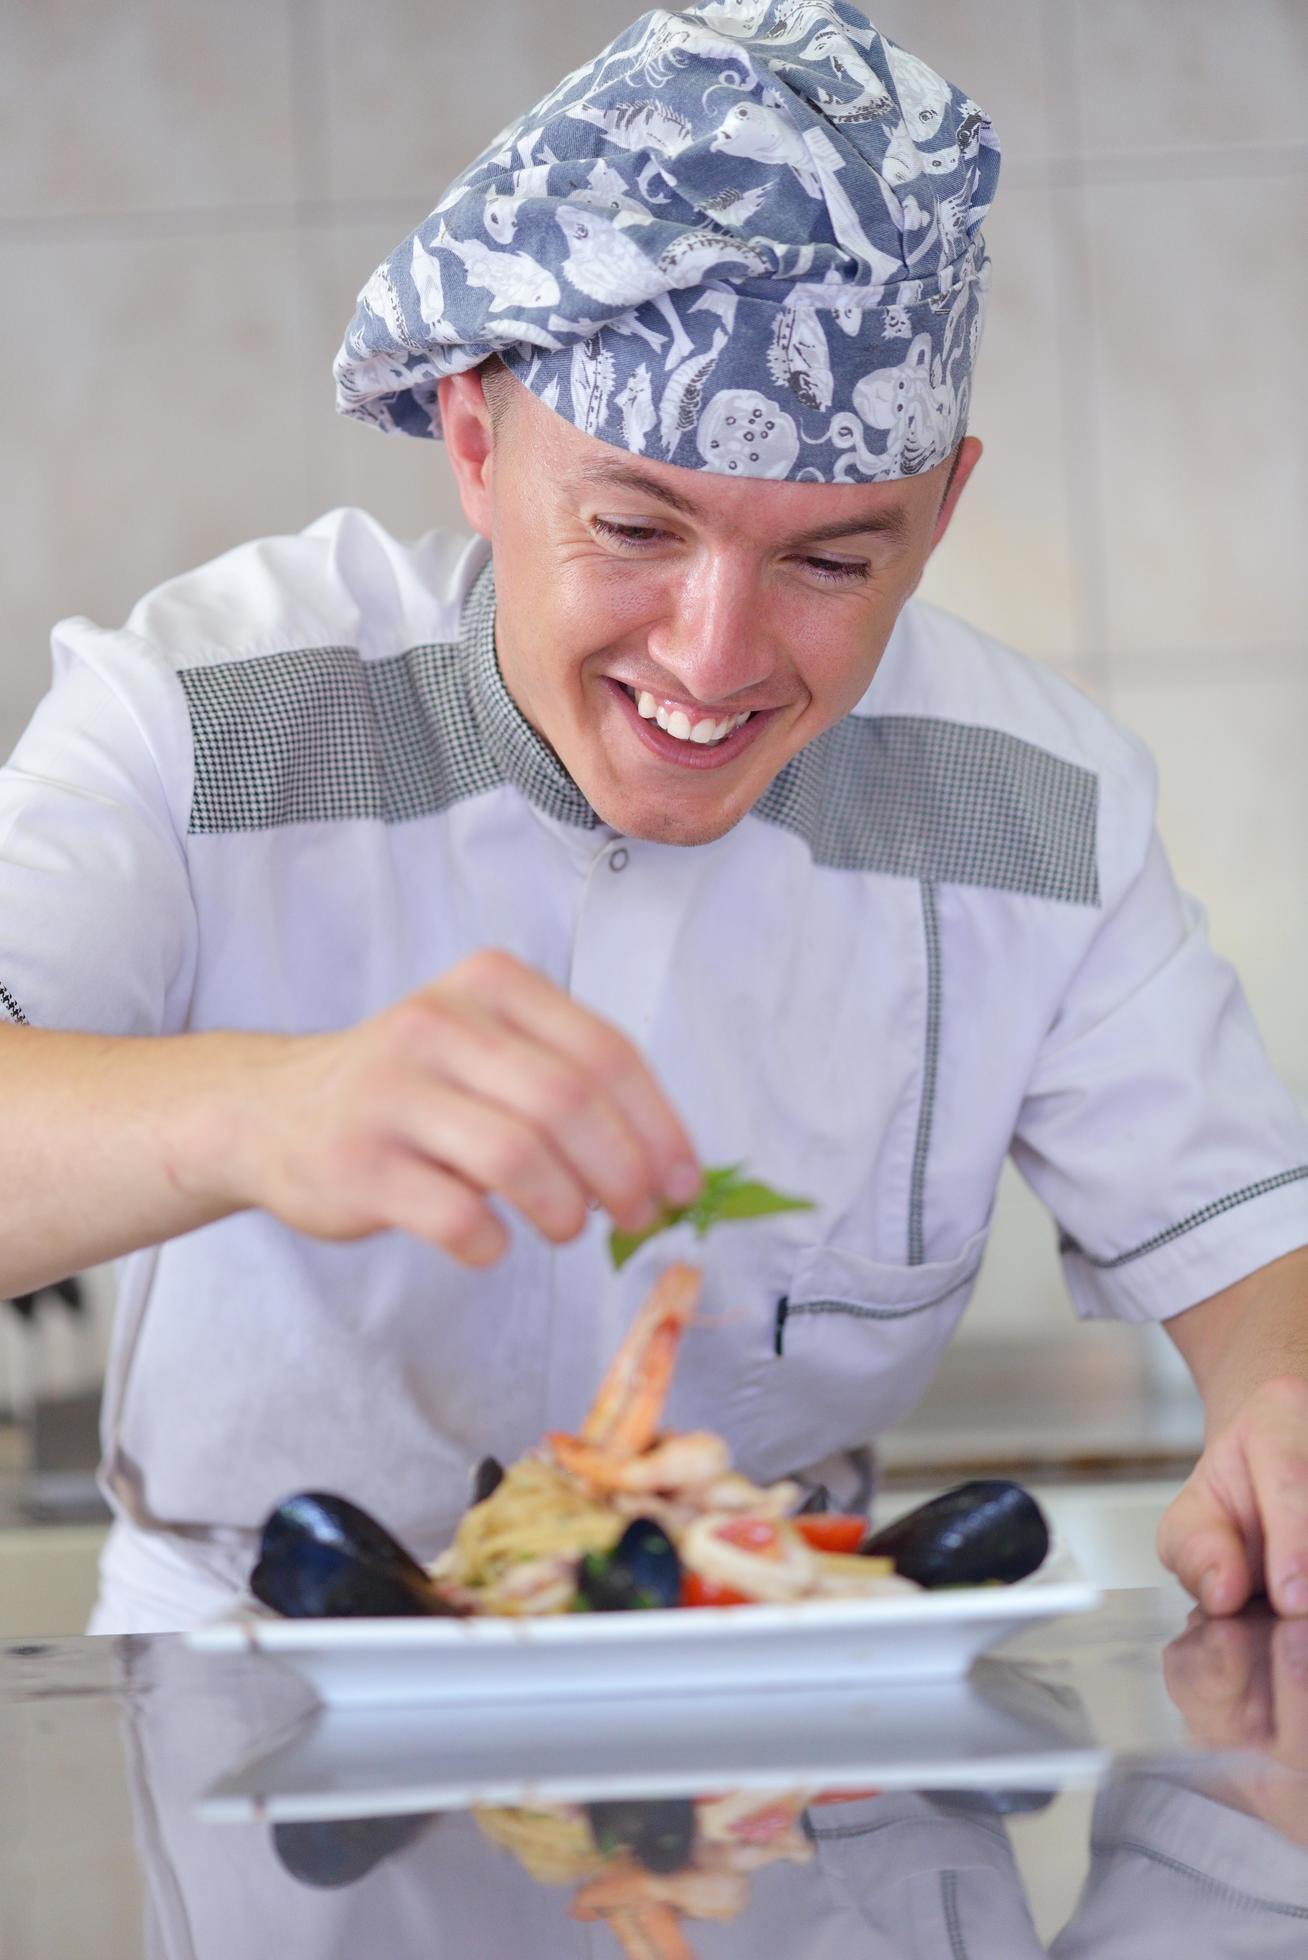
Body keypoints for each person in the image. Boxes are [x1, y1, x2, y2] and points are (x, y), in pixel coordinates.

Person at [0, 0, 1305, 1636]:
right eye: (633, 528)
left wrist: (1284, 1404)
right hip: (263, 1723)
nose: (713, 659)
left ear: (940, 514)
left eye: (832, 562)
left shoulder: (1036, 807)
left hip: (780, 1721)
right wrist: (254, 1112)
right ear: (475, 442)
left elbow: (1254, 1257)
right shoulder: (203, 715)